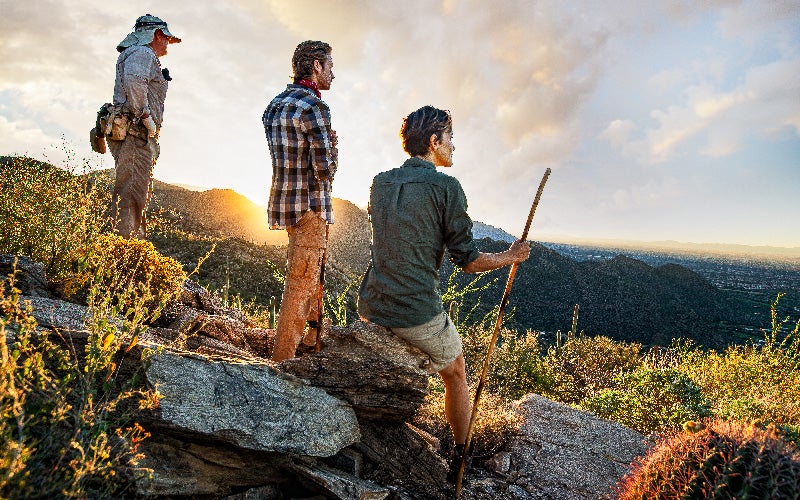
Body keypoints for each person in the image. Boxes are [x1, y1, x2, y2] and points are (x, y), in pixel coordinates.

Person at [357, 105, 531, 480]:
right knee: (455, 370)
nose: (454, 146)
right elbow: (467, 261)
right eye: (450, 138)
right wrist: (511, 255)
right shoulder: (447, 187)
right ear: (434, 142)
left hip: (372, 302)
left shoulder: (380, 182)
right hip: (414, 308)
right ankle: (462, 454)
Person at [263, 41, 338, 362]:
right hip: (312, 207)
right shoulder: (315, 108)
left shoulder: (274, 105)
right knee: (301, 281)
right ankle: (282, 361)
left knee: (311, 272)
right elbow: (326, 169)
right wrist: (333, 148)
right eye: (330, 66)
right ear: (317, 66)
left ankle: (313, 338)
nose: (334, 74)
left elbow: (290, 152)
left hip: (286, 204)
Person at [107, 14, 181, 238]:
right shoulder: (142, 53)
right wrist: (146, 117)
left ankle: (131, 248)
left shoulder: (136, 53)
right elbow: (134, 82)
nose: (168, 43)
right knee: (131, 195)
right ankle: (125, 254)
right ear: (157, 34)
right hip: (135, 134)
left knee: (136, 192)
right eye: (166, 38)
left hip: (136, 135)